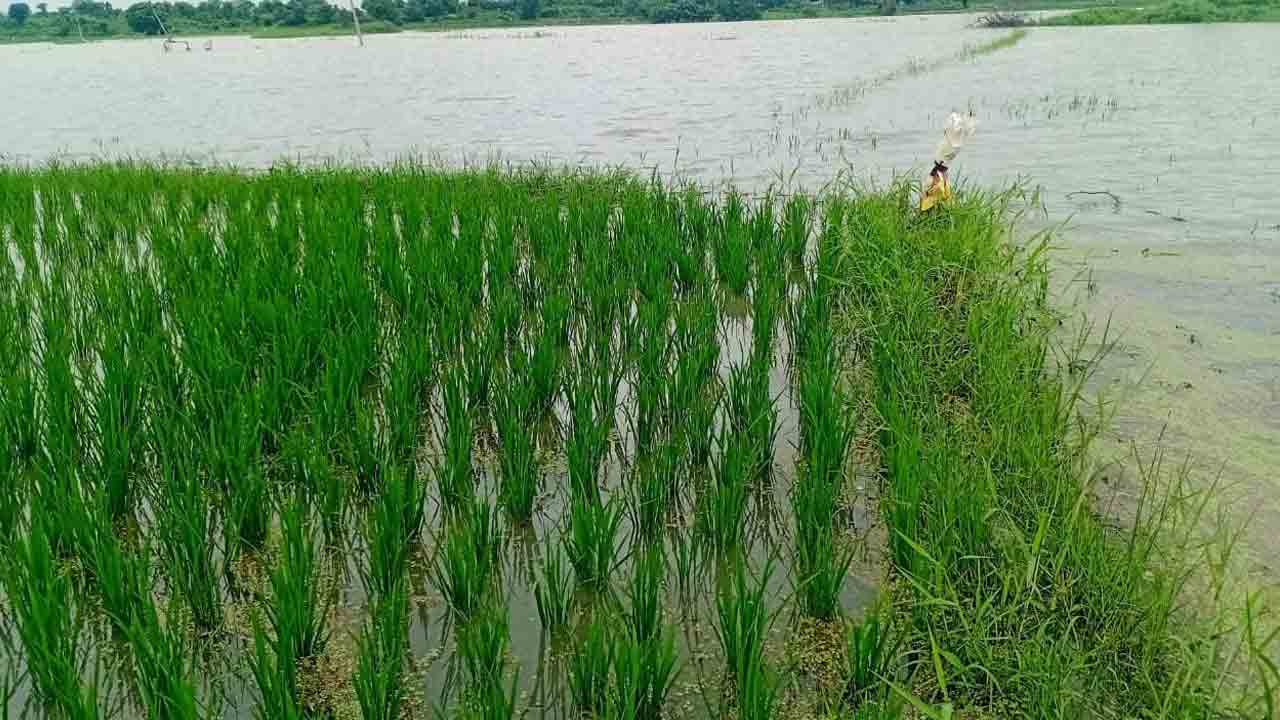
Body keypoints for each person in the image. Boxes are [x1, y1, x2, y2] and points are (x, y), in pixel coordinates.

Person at [920, 112, 976, 212]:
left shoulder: (946, 150)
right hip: (940, 172)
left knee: (935, 195)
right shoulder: (949, 150)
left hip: (939, 173)